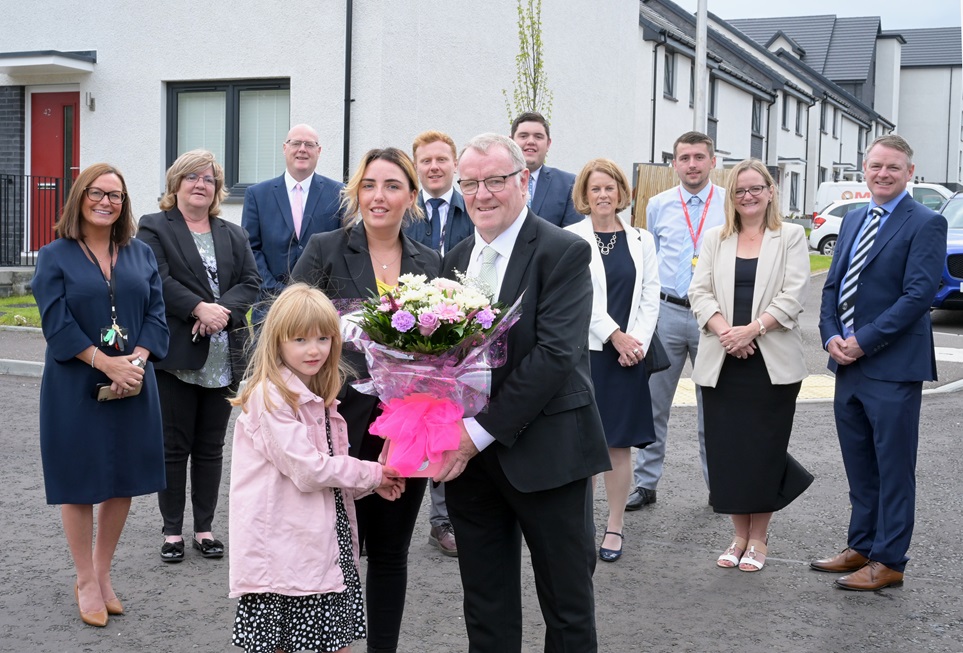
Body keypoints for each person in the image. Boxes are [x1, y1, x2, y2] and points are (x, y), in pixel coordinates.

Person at [435, 133, 610, 652]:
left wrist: (476, 434)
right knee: (485, 607)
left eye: (495, 181)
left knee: (567, 606)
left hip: (548, 456)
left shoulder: (563, 252)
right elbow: (443, 361)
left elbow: (555, 357)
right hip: (473, 469)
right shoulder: (456, 258)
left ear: (523, 181)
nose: (482, 194)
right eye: (471, 183)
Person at [291, 148, 441, 653]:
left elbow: (443, 353)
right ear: (356, 193)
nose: (380, 196)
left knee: (391, 552)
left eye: (393, 185)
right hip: (336, 425)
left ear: (412, 198)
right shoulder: (326, 249)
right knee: (331, 548)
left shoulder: (430, 262)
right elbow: (287, 327)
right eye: (370, 185)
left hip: (406, 428)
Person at [228, 283, 405, 653]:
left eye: (324, 338)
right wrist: (372, 473)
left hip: (315, 543)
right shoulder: (270, 396)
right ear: (277, 341)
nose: (314, 350)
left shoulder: (317, 396)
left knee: (333, 642)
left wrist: (373, 482)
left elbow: (326, 476)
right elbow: (309, 470)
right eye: (300, 339)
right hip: (284, 551)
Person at [33, 163, 169, 626]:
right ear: (79, 198)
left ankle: (103, 571)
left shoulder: (140, 253)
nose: (106, 201)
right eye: (97, 193)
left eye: (115, 195)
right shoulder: (54, 256)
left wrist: (137, 362)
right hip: (75, 384)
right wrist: (105, 362)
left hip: (132, 382)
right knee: (80, 481)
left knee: (123, 479)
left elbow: (156, 313)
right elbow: (57, 324)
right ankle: (84, 578)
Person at [812, 134, 946, 591]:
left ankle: (889, 560)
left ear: (910, 172)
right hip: (846, 364)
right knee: (860, 464)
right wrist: (830, 335)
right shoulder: (852, 219)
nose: (883, 174)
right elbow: (832, 286)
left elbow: (918, 295)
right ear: (864, 171)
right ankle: (862, 545)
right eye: (875, 166)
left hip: (891, 366)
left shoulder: (925, 222)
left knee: (893, 467)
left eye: (893, 167)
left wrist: (863, 341)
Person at [688, 159, 814, 572]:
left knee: (763, 451)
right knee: (729, 452)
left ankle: (758, 540)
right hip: (724, 360)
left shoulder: (791, 236)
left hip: (771, 363)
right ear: (732, 196)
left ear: (771, 190)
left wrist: (752, 331)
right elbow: (699, 291)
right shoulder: (715, 238)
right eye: (740, 190)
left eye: (755, 188)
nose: (748, 196)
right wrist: (728, 333)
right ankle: (738, 535)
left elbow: (794, 294)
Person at [137, 149, 260, 563]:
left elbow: (251, 282)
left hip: (223, 357)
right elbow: (156, 278)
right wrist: (197, 308)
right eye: (191, 177)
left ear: (217, 188)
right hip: (176, 355)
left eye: (208, 179)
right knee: (174, 447)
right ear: (176, 184)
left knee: (210, 448)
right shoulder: (154, 227)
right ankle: (172, 531)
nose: (200, 185)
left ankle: (204, 528)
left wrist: (219, 311)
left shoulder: (233, 233)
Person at [565, 158, 659, 563]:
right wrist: (615, 336)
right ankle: (577, 527)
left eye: (610, 188)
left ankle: (615, 526)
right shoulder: (569, 238)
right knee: (580, 445)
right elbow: (576, 297)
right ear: (584, 196)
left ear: (623, 193)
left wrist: (635, 342)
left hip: (628, 359)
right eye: (595, 189)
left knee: (618, 446)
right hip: (587, 355)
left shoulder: (642, 240)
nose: (603, 195)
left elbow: (651, 296)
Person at [627, 131, 726, 511]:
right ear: (674, 164)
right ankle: (646, 482)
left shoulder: (728, 205)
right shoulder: (658, 204)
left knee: (713, 405)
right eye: (684, 158)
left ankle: (719, 485)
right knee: (653, 404)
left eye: (699, 157)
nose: (692, 165)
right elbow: (648, 259)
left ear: (712, 161)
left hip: (712, 316)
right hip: (666, 312)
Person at [402, 130, 471, 557]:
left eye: (441, 160)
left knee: (448, 421)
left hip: (459, 333)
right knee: (407, 422)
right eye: (425, 161)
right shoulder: (404, 212)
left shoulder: (471, 208)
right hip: (408, 334)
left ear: (454, 163)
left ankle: (443, 519)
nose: (433, 167)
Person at [242, 123, 344, 324]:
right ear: (284, 148)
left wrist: (317, 294)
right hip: (270, 306)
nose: (302, 149)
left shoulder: (339, 194)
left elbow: (343, 249)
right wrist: (277, 292)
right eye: (296, 143)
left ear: (319, 151)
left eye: (309, 144)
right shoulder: (257, 195)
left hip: (321, 308)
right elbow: (250, 249)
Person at [510, 112, 582, 227]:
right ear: (511, 142)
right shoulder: (494, 181)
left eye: (538, 136)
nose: (531, 142)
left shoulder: (569, 184)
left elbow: (573, 237)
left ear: (548, 144)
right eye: (523, 136)